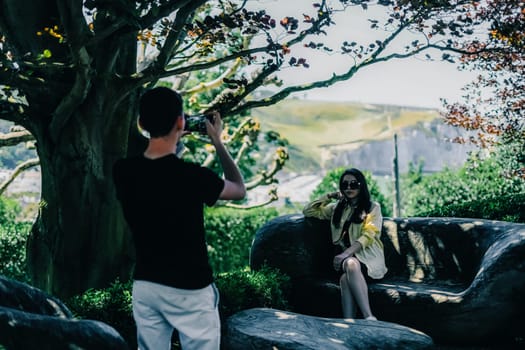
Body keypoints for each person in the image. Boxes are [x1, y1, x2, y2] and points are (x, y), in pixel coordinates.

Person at [112, 87, 246, 350]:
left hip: (146, 284)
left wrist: (173, 134)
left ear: (141, 123)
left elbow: (158, 172)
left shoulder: (124, 172)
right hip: (190, 288)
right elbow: (238, 189)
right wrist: (218, 141)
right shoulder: (193, 177)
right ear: (181, 122)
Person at [302, 168, 387, 320]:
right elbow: (309, 211)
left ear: (361, 186)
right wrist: (330, 196)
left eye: (353, 184)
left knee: (350, 266)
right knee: (345, 277)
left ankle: (368, 316)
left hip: (368, 258)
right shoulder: (337, 208)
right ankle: (350, 322)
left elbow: (369, 236)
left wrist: (345, 254)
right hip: (347, 262)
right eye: (345, 184)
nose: (349, 188)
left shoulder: (373, 207)